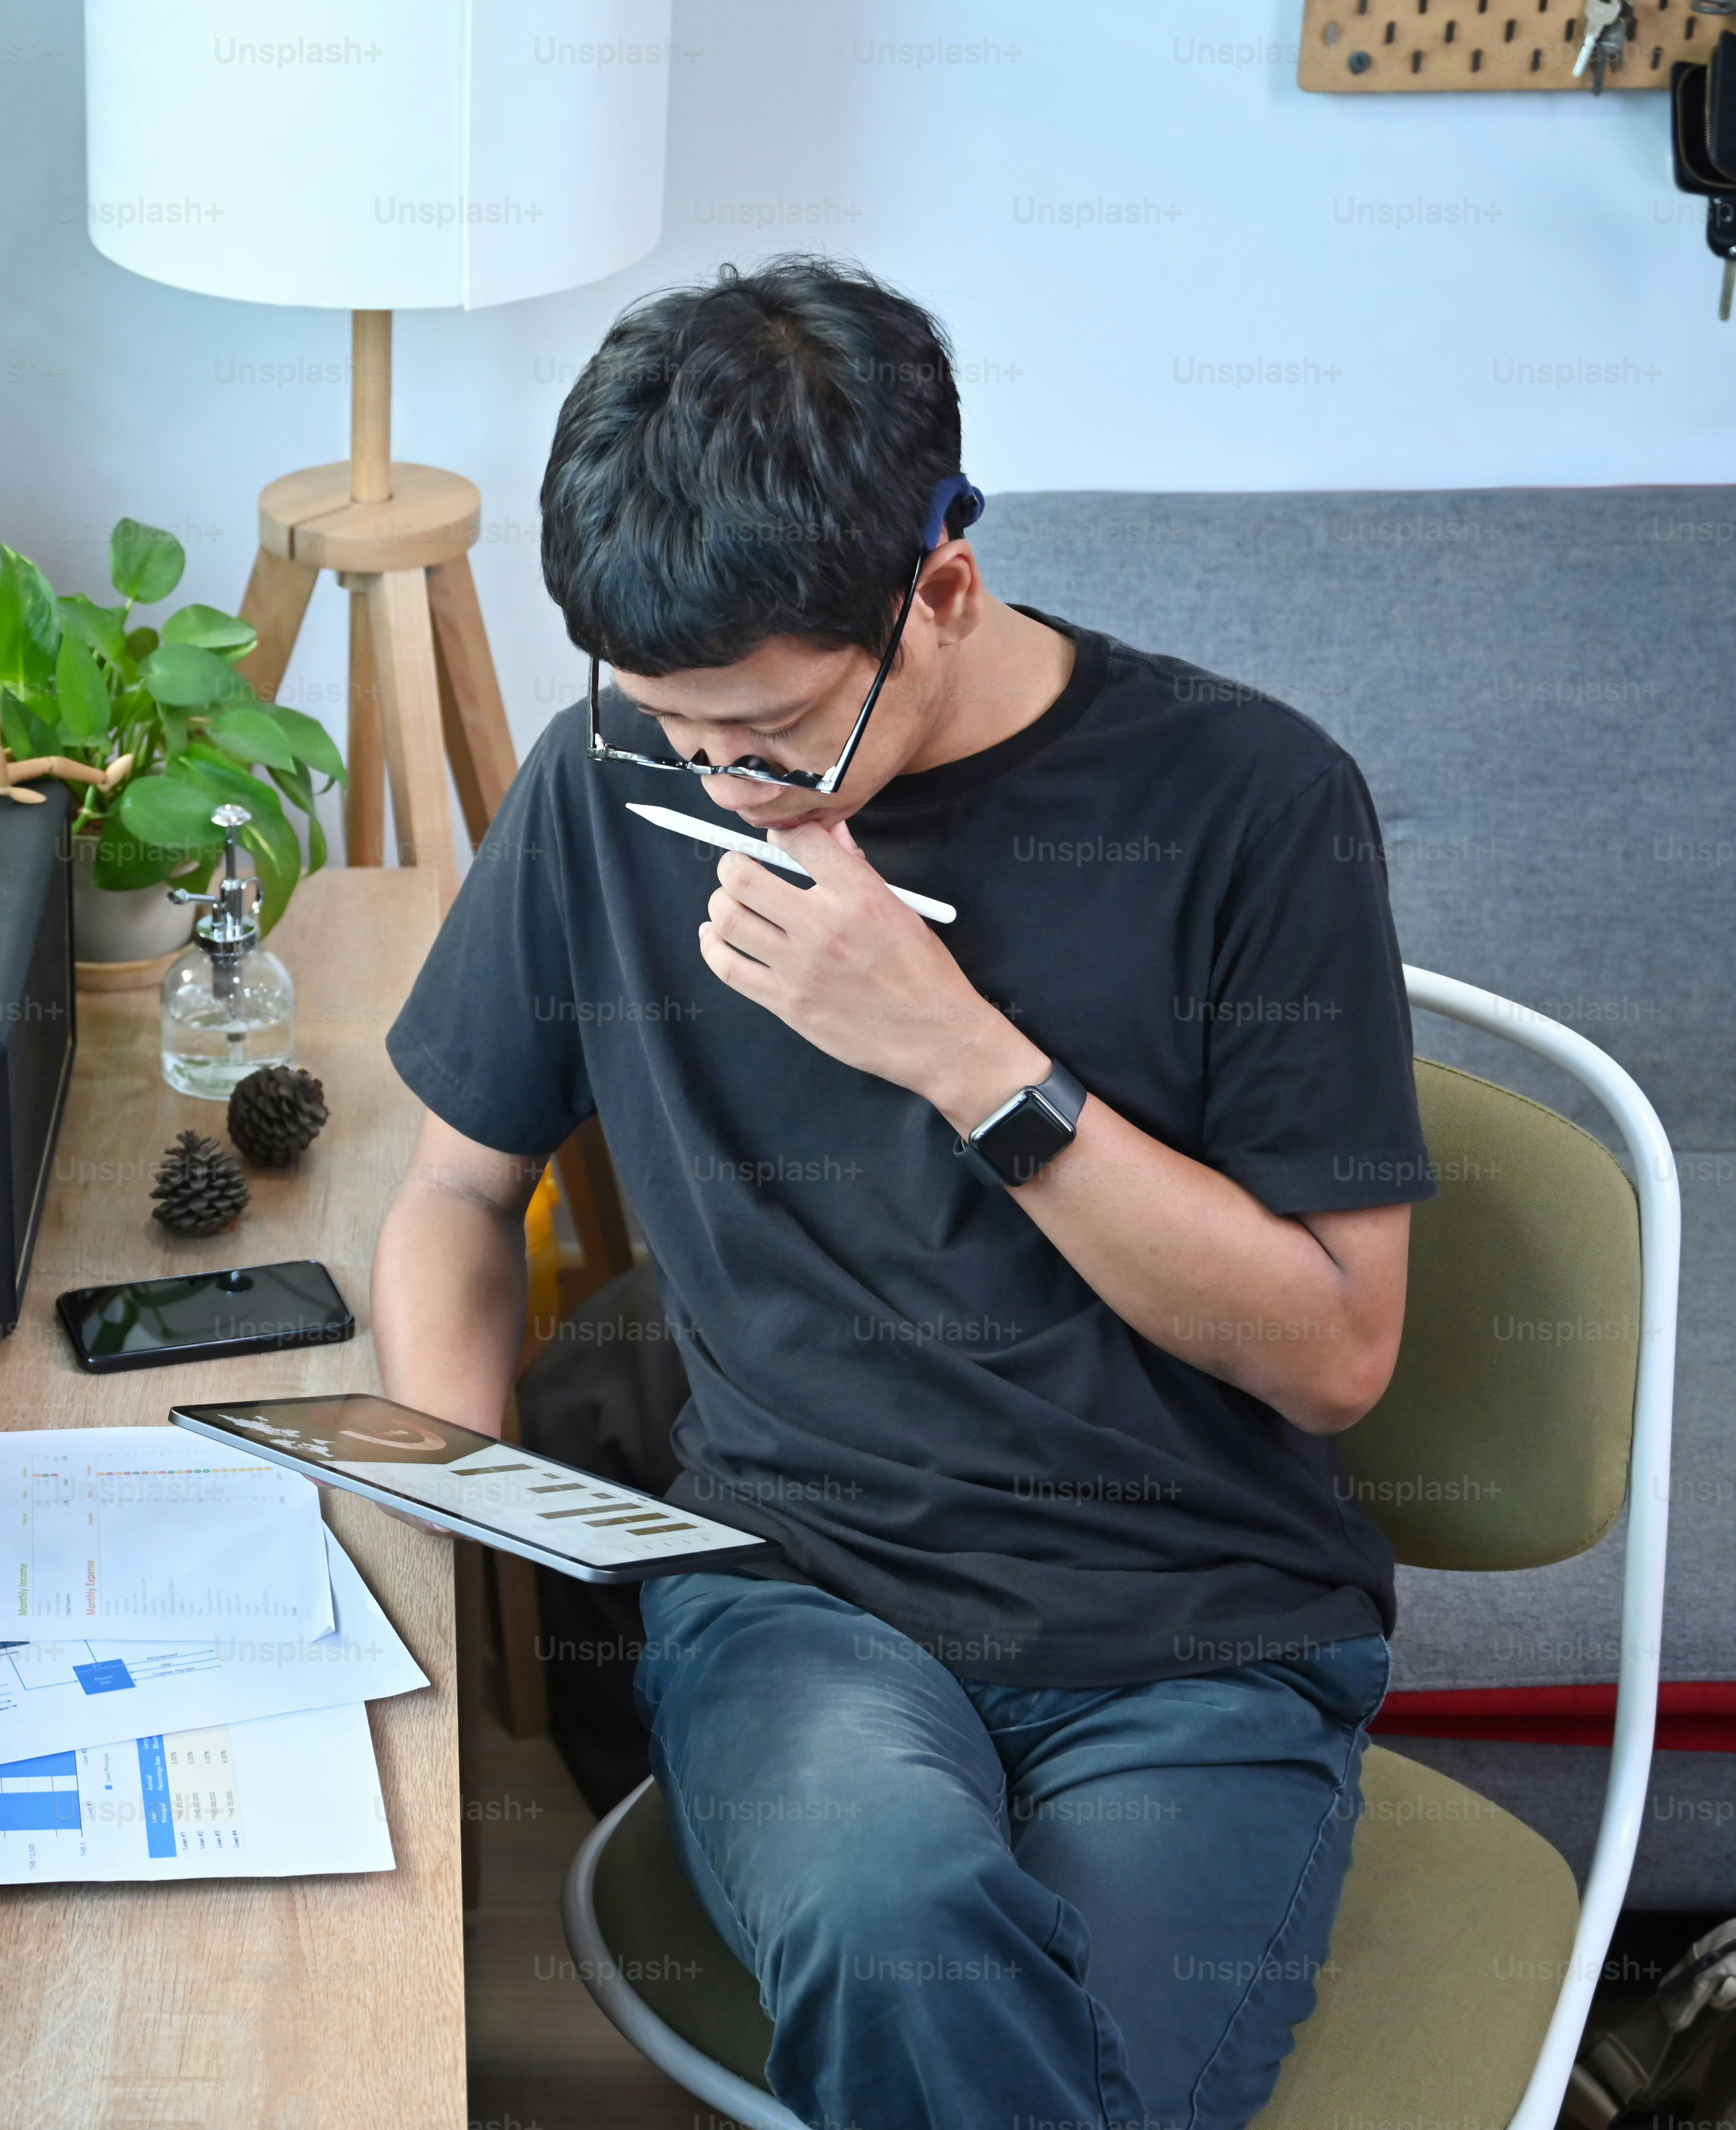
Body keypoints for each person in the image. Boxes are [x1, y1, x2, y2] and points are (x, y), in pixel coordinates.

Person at [370, 256, 1431, 2130]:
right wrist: (431, 1512)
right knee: (897, 1923)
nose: (715, 779)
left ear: (939, 587)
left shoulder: (1254, 802)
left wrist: (964, 1057)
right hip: (801, 1595)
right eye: (669, 724)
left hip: (1200, 1636)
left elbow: (1339, 1355)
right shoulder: (612, 777)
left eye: (768, 738)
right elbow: (457, 1197)